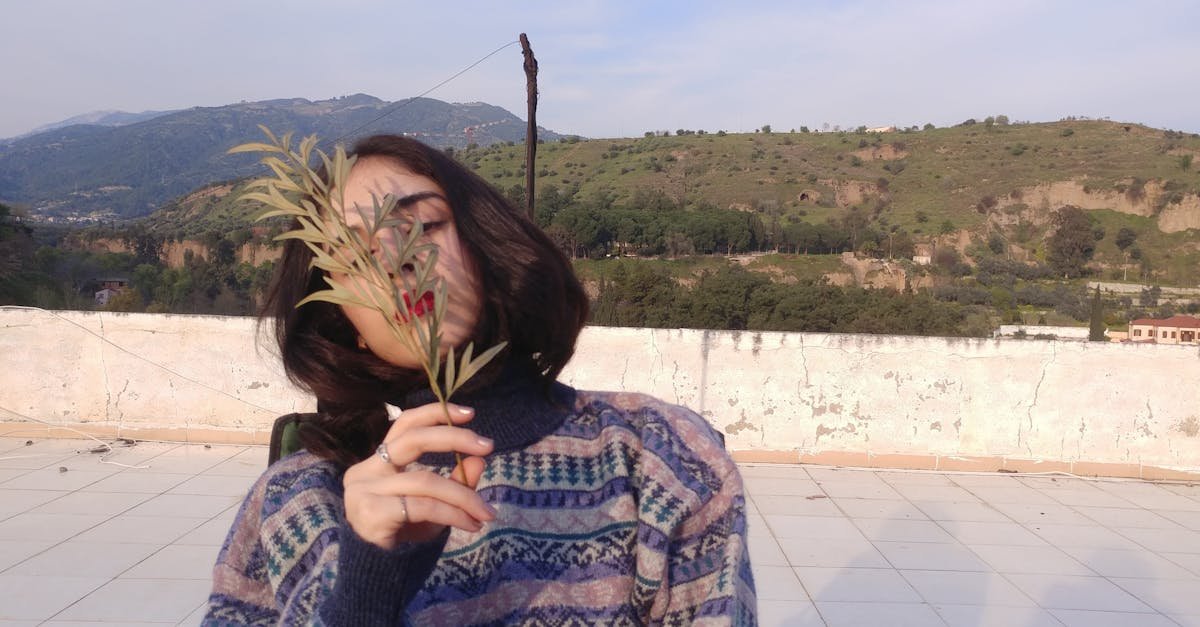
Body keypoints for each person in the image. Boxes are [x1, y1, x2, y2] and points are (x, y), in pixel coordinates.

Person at [203, 134, 757, 625]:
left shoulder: (659, 455)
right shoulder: (300, 499)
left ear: (487, 248)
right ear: (348, 326)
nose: (394, 260)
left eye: (422, 224)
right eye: (352, 256)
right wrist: (367, 589)